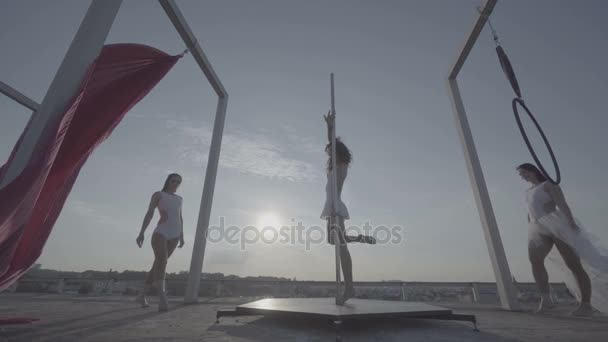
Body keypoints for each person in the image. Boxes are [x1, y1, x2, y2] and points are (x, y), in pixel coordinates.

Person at [518, 163, 608, 316]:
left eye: (524, 173)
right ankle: (546, 300)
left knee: (573, 264)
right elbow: (530, 210)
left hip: (556, 224)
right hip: (537, 226)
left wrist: (571, 222)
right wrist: (530, 226)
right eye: (520, 175)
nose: (522, 176)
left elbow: (562, 204)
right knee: (535, 260)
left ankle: (586, 305)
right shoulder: (527, 191)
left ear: (533, 171)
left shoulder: (548, 185)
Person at [321, 111, 375, 305]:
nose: (327, 153)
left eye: (330, 151)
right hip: (331, 207)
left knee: (341, 247)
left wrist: (330, 127)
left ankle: (349, 287)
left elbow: (333, 143)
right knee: (332, 241)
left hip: (336, 208)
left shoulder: (341, 164)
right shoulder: (334, 167)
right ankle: (360, 238)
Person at [135, 173, 185, 311]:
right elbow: (149, 213)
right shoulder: (158, 195)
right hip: (161, 233)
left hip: (175, 235)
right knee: (162, 261)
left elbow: (180, 217)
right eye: (173, 181)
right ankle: (162, 296)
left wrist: (182, 235)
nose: (175, 184)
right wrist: (141, 233)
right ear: (168, 181)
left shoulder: (179, 199)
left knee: (158, 263)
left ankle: (141, 295)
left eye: (178, 182)